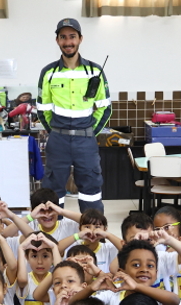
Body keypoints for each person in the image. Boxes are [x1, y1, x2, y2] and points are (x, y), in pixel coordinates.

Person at [37, 18, 111, 212]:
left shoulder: (94, 71)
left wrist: (90, 132)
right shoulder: (48, 72)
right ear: (57, 41)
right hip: (58, 141)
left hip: (86, 141)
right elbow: (43, 109)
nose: (68, 42)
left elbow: (105, 108)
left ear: (80, 39)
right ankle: (55, 230)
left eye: (72, 37)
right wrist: (55, 132)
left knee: (91, 189)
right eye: (63, 37)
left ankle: (91, 229)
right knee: (52, 191)